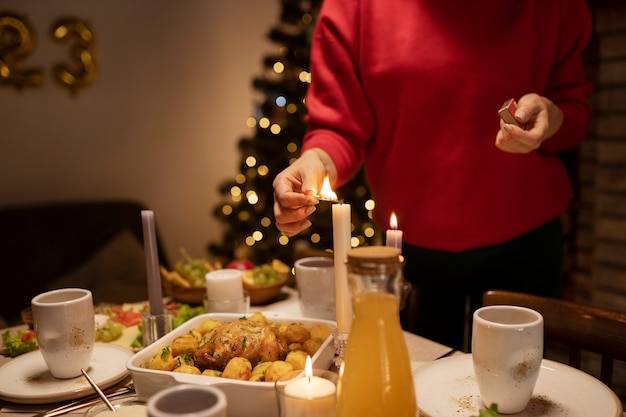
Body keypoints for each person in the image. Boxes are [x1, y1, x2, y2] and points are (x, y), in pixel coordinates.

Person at [272, 0, 593, 351]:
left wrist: (551, 116)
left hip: (525, 247)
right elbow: (338, 126)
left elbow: (574, 113)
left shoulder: (553, 8)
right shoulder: (354, 7)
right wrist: (316, 161)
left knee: (513, 396)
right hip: (411, 253)